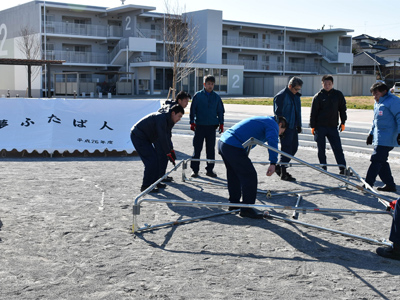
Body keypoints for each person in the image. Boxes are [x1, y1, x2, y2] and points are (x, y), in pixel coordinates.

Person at [218, 116, 287, 219]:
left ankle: (234, 204)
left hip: (224, 142)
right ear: (280, 124)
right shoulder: (272, 124)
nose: (280, 134)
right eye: (281, 132)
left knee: (234, 174)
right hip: (233, 145)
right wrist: (273, 162)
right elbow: (272, 141)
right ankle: (247, 209)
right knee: (250, 176)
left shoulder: (264, 120)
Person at [130, 105, 184, 193]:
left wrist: (171, 150)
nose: (179, 119)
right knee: (151, 160)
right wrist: (168, 153)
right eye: (179, 116)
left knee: (156, 160)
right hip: (138, 136)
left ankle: (155, 182)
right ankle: (146, 186)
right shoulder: (162, 118)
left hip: (146, 138)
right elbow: (162, 137)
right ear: (173, 113)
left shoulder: (169, 120)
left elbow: (167, 137)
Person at [309, 75, 349, 174]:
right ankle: (323, 167)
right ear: (322, 84)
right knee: (321, 149)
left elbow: (342, 109)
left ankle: (342, 168)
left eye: (329, 84)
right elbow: (313, 112)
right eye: (325, 84)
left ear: (333, 84)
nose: (327, 86)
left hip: (332, 127)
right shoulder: (318, 96)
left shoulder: (338, 95)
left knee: (338, 148)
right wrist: (313, 126)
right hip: (320, 127)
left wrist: (343, 122)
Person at [365, 82, 400, 192]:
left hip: (389, 136)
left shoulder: (393, 101)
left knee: (376, 160)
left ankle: (368, 185)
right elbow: (375, 121)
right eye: (373, 95)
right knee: (381, 161)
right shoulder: (378, 103)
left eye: (376, 94)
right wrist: (371, 134)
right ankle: (390, 184)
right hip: (379, 137)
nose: (374, 97)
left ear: (384, 92)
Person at [190, 75, 225, 178]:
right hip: (200, 126)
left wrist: (221, 123)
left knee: (210, 149)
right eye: (208, 84)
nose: (210, 86)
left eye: (212, 84)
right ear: (204, 84)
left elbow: (220, 111)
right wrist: (192, 122)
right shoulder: (198, 96)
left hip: (211, 127)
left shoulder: (216, 97)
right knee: (197, 148)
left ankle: (209, 169)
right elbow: (193, 110)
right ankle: (195, 170)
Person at [156, 91, 191, 182]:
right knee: (162, 155)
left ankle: (161, 175)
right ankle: (159, 177)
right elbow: (164, 130)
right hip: (158, 134)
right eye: (185, 101)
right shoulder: (173, 109)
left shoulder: (174, 108)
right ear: (179, 100)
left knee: (165, 154)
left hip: (162, 133)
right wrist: (169, 147)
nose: (187, 104)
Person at [273, 76, 303, 181]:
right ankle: (283, 173)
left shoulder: (296, 96)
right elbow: (278, 114)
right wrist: (281, 128)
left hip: (293, 127)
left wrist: (299, 125)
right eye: (296, 89)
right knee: (286, 149)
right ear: (290, 86)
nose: (297, 91)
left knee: (294, 148)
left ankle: (280, 167)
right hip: (285, 128)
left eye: (299, 89)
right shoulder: (281, 96)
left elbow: (298, 112)